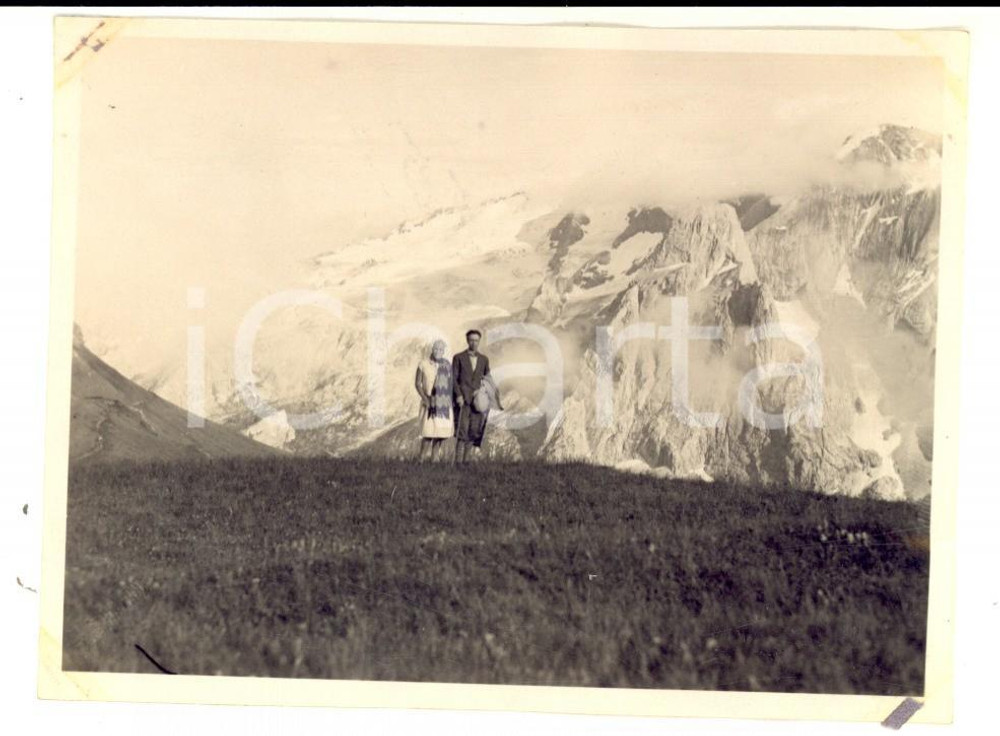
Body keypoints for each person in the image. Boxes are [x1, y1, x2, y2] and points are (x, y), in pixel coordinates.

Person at [452, 329, 504, 464]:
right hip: (463, 400)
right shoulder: (458, 358)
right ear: (467, 341)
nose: (474, 343)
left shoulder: (484, 359)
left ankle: (466, 462)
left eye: (476, 340)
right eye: (471, 340)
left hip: (478, 401)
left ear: (479, 341)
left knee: (473, 431)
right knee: (461, 431)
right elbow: (453, 379)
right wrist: (458, 395)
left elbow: (488, 378)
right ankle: (457, 463)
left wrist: (489, 395)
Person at [414, 339, 454, 462]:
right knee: (428, 432)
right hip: (429, 401)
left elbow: (451, 383)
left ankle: (435, 458)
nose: (438, 351)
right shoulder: (423, 364)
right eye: (436, 349)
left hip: (443, 403)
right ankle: (421, 458)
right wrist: (425, 399)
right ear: (432, 349)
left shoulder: (447, 365)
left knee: (441, 433)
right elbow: (417, 384)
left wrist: (450, 399)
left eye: (441, 349)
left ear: (444, 351)